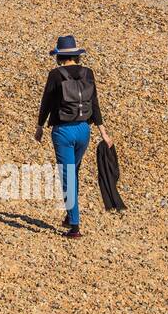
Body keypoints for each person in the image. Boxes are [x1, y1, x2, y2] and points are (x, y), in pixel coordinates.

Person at [35, 36, 112, 238]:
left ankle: (75, 226)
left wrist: (40, 126)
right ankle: (70, 215)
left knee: (67, 176)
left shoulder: (55, 75)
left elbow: (46, 102)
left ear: (59, 56)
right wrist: (102, 130)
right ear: (76, 55)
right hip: (84, 130)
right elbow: (94, 102)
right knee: (74, 171)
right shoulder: (88, 73)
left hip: (63, 132)